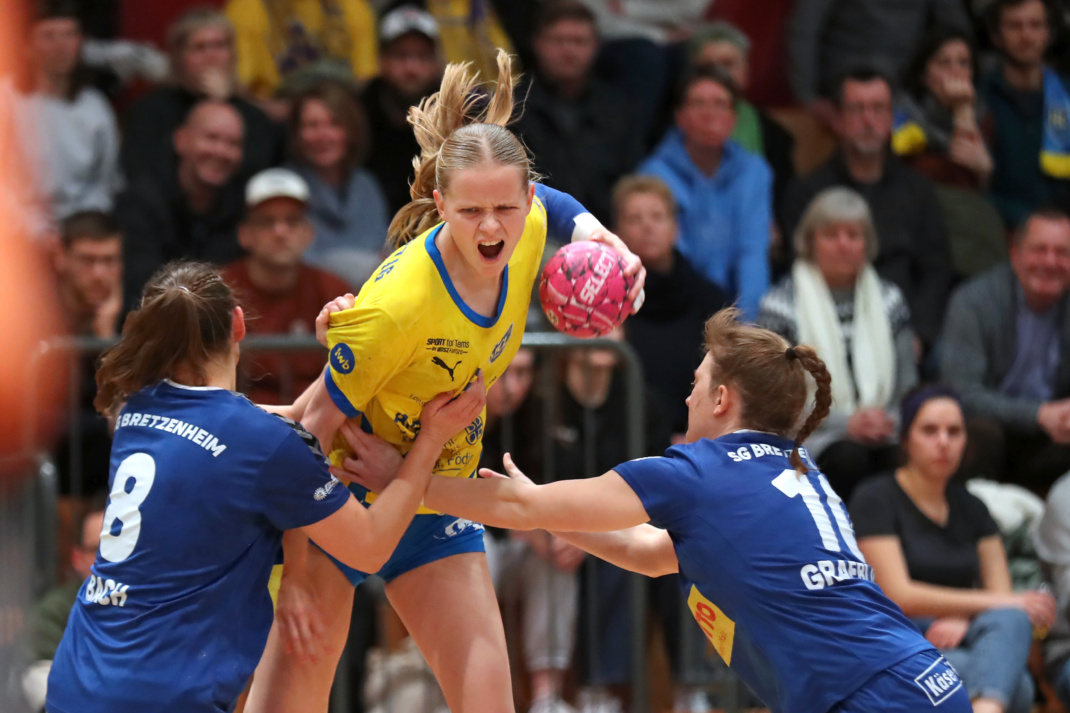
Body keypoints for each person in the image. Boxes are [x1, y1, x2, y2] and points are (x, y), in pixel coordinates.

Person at [247, 49, 645, 713]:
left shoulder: (531, 225)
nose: (492, 228)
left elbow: (556, 202)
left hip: (437, 496)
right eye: (470, 212)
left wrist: (607, 239)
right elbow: (306, 433)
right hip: (339, 503)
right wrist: (289, 576)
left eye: (505, 208)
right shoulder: (398, 305)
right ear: (440, 203)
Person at [346, 307, 974, 713]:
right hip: (922, 680)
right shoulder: (799, 469)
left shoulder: (699, 474)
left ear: (723, 399)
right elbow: (651, 555)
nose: (687, 393)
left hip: (868, 695)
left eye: (697, 383)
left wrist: (404, 479)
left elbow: (514, 502)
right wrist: (548, 513)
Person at [43, 260, 487, 713]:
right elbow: (370, 547)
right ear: (238, 322)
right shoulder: (260, 443)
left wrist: (350, 353)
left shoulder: (136, 412)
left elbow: (287, 420)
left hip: (76, 678)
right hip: (161, 696)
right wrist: (430, 441)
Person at [849, 385, 1055, 713]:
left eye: (954, 432)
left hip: (964, 633)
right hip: (901, 636)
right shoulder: (876, 498)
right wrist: (985, 606)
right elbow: (899, 594)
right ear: (906, 439)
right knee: (1017, 686)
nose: (943, 441)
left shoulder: (973, 507)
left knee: (1012, 619)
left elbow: (1000, 596)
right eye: (930, 430)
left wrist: (963, 615)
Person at [758, 187, 917, 501]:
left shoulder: (890, 299)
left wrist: (888, 419)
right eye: (831, 234)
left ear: (867, 243)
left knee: (900, 457)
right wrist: (846, 423)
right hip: (813, 434)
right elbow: (778, 397)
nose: (843, 244)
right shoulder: (779, 305)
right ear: (810, 241)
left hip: (886, 427)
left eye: (853, 235)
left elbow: (908, 381)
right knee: (849, 457)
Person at [782, 67, 953, 351]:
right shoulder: (807, 193)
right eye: (857, 109)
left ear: (891, 119)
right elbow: (798, 271)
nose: (868, 120)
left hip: (903, 332)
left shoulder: (917, 190)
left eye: (878, 109)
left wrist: (919, 333)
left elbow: (936, 270)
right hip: (827, 333)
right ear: (838, 119)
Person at [939, 206, 1070, 492]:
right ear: (1015, 254)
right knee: (981, 433)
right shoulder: (974, 301)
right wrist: (1037, 414)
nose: (1050, 262)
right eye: (1039, 249)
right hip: (991, 428)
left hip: (1053, 435)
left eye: (1062, 253)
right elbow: (961, 392)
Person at [638, 63, 773, 320]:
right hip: (678, 309)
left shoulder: (755, 171)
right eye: (698, 103)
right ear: (681, 117)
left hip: (740, 309)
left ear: (734, 118)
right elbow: (676, 262)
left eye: (720, 104)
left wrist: (748, 328)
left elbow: (753, 253)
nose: (709, 114)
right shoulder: (653, 174)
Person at [220, 168, 351, 405]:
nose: (280, 232)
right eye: (266, 222)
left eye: (292, 221)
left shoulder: (335, 291)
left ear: (309, 233)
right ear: (244, 234)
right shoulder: (217, 291)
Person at [614, 174, 729, 441]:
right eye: (635, 219)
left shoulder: (709, 299)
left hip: (698, 441)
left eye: (657, 217)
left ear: (675, 228)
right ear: (616, 231)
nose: (647, 227)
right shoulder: (608, 301)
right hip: (628, 441)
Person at [120, 7, 282, 188]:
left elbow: (258, 173)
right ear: (179, 58)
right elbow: (143, 175)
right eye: (199, 48)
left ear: (233, 55)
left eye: (220, 45)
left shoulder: (251, 115)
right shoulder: (150, 110)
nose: (211, 57)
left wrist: (224, 107)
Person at [515, 0, 643, 226]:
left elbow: (631, 183)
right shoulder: (513, 108)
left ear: (596, 46)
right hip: (534, 230)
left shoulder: (618, 109)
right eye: (558, 40)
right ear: (537, 43)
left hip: (606, 232)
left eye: (579, 41)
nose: (568, 50)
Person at [893, 30, 1005, 279]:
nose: (955, 71)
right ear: (924, 75)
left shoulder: (984, 118)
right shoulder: (902, 118)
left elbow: (978, 187)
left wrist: (985, 174)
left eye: (963, 63)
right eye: (944, 63)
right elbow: (954, 175)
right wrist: (962, 109)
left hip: (973, 232)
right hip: (922, 233)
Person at [116, 100, 246, 308]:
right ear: (180, 140)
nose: (221, 152)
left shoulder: (241, 208)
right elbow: (141, 288)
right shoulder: (141, 203)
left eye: (233, 144)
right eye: (211, 138)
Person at [10, 0, 121, 238]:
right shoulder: (6, 102)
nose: (61, 46)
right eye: (48, 36)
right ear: (26, 45)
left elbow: (104, 184)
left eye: (69, 35)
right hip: (15, 233)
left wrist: (77, 229)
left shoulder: (95, 106)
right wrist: (34, 231)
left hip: (79, 231)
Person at [688, 21, 795, 227]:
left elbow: (782, 202)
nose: (720, 74)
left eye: (728, 64)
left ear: (746, 72)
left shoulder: (776, 137)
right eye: (709, 66)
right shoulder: (668, 131)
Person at [787, 0, 972, 119]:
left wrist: (952, 75)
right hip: (847, 81)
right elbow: (805, 29)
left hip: (907, 85)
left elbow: (955, 31)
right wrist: (808, 97)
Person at [286, 80, 390, 288]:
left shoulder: (366, 185)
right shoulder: (285, 187)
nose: (323, 135)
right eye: (312, 125)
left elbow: (386, 251)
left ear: (351, 131)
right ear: (297, 134)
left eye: (334, 124)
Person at [980, 0, 1070, 229]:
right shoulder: (978, 100)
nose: (1026, 35)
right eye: (1014, 26)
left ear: (1049, 33)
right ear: (996, 36)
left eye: (1035, 25)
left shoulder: (1066, 95)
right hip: (999, 232)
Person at [51, 211, 123, 497]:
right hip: (50, 477)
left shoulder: (128, 320)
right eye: (88, 260)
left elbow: (121, 410)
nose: (99, 274)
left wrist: (106, 340)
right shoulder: (37, 318)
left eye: (109, 261)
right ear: (61, 257)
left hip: (105, 484)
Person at [22, 500, 105, 712]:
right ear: (78, 558)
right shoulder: (55, 611)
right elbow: (43, 690)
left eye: (120, 549)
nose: (110, 560)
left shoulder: (153, 603)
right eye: (99, 549)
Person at [361, 5, 444, 216]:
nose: (411, 68)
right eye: (401, 56)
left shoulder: (455, 110)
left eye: (422, 56)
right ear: (381, 60)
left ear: (437, 63)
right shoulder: (360, 108)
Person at [224, 0, 377, 98]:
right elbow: (242, 87)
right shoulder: (246, 8)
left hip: (341, 106)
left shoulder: (351, 6)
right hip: (276, 116)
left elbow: (366, 78)